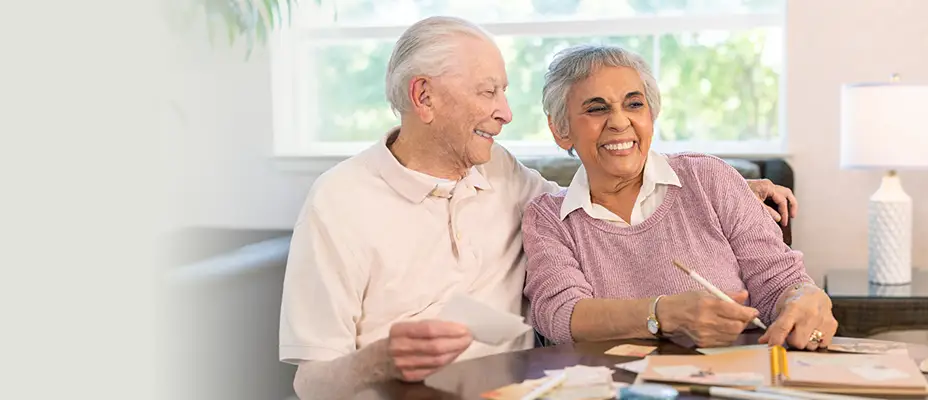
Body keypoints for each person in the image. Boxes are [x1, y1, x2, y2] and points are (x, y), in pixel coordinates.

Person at [277, 16, 798, 399]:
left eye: (503, 91)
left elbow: (595, 199)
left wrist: (726, 190)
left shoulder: (502, 173)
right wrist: (377, 361)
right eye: (488, 92)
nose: (505, 112)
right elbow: (310, 381)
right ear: (424, 97)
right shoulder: (339, 201)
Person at [520, 44, 834, 351]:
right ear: (561, 129)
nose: (618, 121)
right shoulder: (548, 218)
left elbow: (779, 282)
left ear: (651, 116)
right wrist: (662, 314)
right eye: (597, 109)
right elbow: (561, 316)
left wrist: (803, 297)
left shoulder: (707, 177)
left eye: (634, 104)